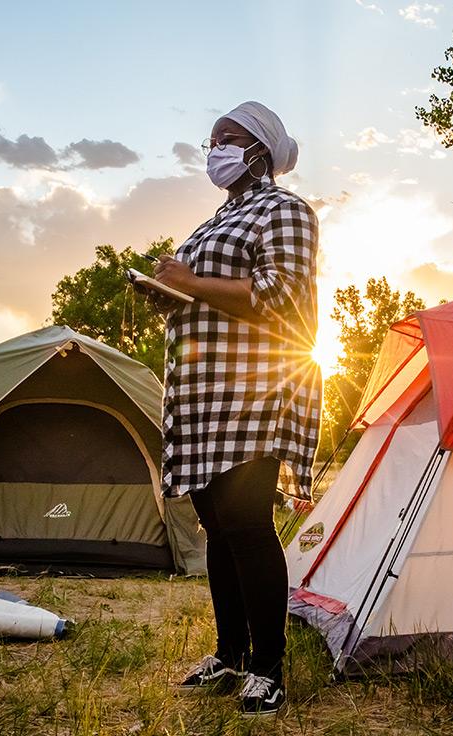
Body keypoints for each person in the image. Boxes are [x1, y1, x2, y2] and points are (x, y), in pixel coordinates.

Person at [145, 101, 322, 717]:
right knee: (217, 529)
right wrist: (167, 296)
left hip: (254, 389)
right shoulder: (212, 223)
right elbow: (201, 295)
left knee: (247, 523)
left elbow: (280, 295)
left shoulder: (286, 211)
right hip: (199, 395)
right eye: (211, 139)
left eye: (228, 138)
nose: (214, 147)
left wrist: (190, 285)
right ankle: (231, 653)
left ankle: (269, 668)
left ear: (259, 149)